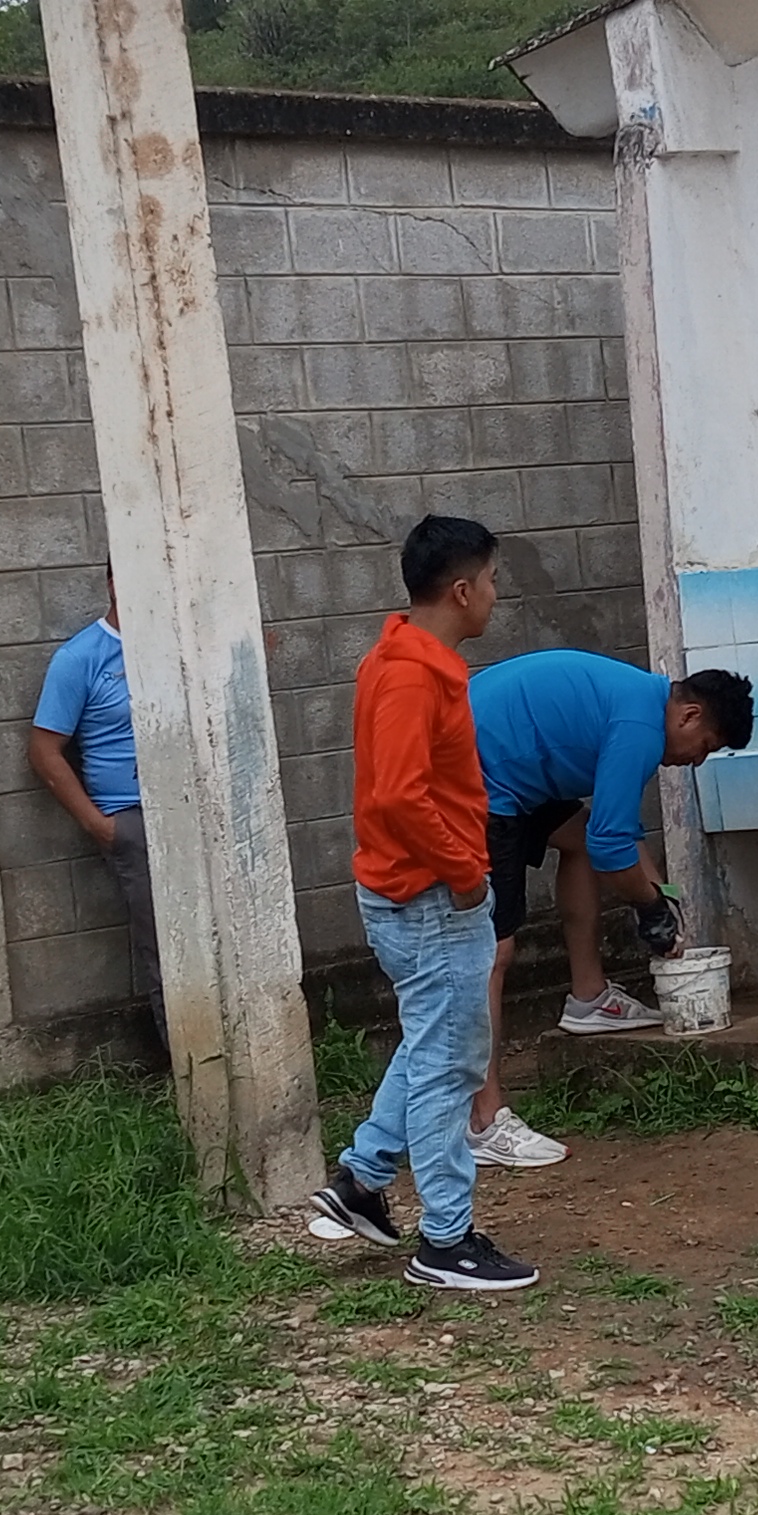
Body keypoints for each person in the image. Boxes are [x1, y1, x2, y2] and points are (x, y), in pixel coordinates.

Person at [311, 515, 537, 1292]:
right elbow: (401, 797)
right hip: (431, 898)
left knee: (433, 1044)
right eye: (494, 581)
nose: (497, 595)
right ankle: (446, 1241)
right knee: (449, 1064)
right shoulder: (412, 673)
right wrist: (465, 873)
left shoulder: (403, 657)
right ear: (463, 590)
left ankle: (362, 1180)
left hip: (420, 893)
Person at [458, 650, 758, 1167]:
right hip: (476, 774)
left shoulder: (641, 703)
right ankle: (484, 1119)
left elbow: (614, 833)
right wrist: (650, 909)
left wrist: (666, 900)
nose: (697, 761)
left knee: (576, 839)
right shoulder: (640, 729)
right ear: (689, 716)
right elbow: (612, 848)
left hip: (508, 758)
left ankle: (589, 998)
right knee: (493, 951)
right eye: (706, 747)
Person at [25, 576, 160, 1039]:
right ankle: (187, 1061)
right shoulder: (80, 657)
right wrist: (100, 826)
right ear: (113, 583)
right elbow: (44, 751)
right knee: (163, 944)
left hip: (187, 813)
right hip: (131, 821)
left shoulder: (173, 647)